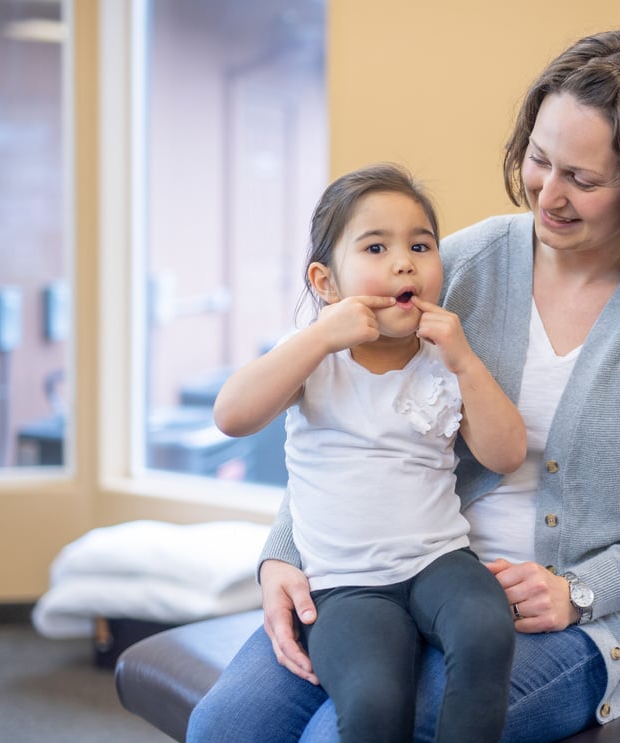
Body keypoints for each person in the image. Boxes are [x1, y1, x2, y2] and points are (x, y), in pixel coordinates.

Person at [187, 28, 620, 743]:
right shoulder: (460, 264)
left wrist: (580, 590)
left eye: (585, 177)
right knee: (225, 727)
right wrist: (282, 553)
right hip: (384, 573)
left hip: (567, 623)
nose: (550, 192)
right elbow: (352, 416)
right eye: (541, 159)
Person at [210, 163, 524, 743]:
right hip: (344, 586)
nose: (404, 261)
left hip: (441, 562)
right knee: (374, 700)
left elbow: (505, 453)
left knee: (487, 631)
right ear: (326, 282)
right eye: (376, 247)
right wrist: (320, 335)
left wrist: (466, 361)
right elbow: (232, 414)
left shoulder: (445, 358)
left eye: (420, 245)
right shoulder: (312, 359)